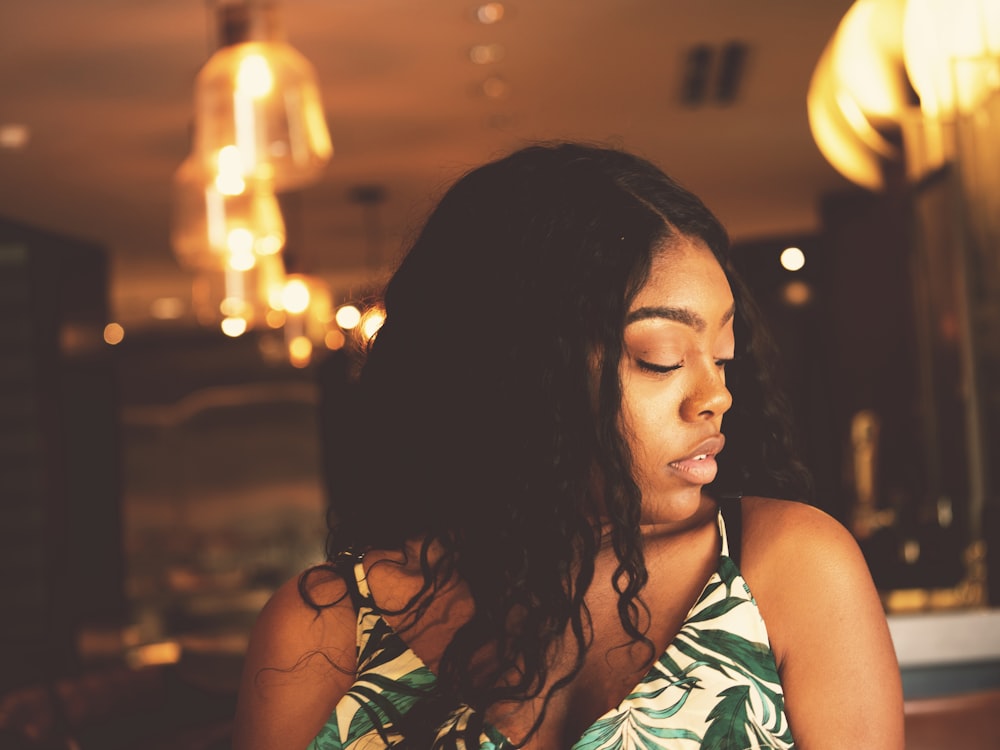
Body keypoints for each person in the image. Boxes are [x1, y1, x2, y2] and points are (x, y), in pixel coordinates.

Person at [232, 142, 904, 749]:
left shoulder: (787, 571)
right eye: (662, 357)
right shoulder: (324, 630)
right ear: (519, 372)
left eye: (723, 355)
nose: (715, 395)